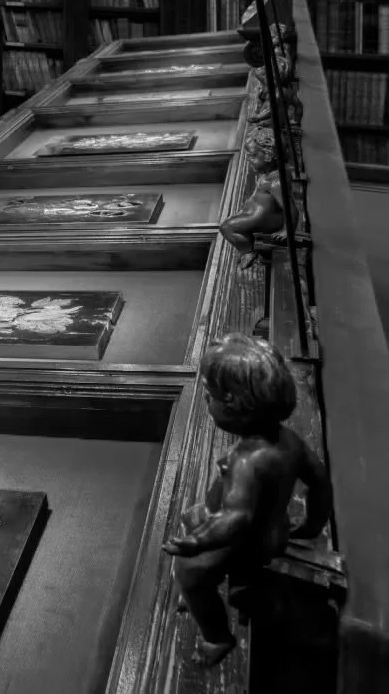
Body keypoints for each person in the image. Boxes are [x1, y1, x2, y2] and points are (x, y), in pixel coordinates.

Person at [163, 334, 331, 666]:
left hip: (246, 541)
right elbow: (320, 482)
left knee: (189, 573)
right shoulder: (289, 440)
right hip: (265, 527)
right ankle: (210, 590)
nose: (205, 400)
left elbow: (236, 518)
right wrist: (312, 525)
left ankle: (217, 638)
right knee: (190, 516)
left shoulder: (248, 460)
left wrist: (198, 542)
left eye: (210, 395)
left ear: (235, 406)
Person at [219, 128, 297, 269]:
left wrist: (287, 231)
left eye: (253, 155)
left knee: (227, 227)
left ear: (268, 156)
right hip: (260, 214)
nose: (248, 159)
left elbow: (290, 209)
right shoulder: (267, 173)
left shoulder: (276, 183)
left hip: (267, 220)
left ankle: (248, 251)